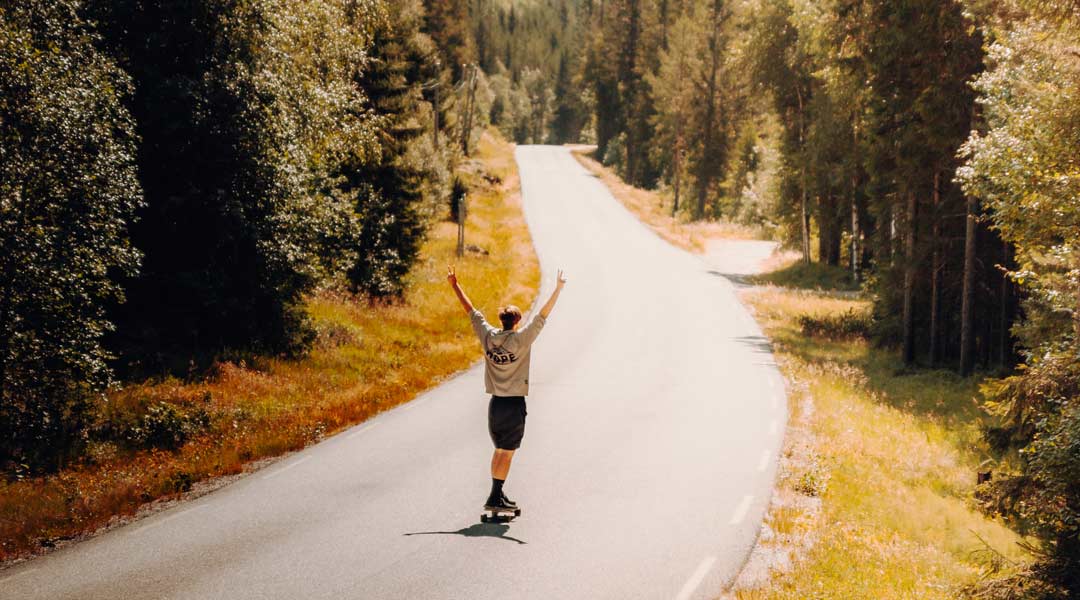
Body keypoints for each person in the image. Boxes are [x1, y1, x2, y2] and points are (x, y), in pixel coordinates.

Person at [447, 265, 567, 511]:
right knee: (507, 452)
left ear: (501, 320)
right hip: (513, 404)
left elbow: (471, 311)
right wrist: (558, 289)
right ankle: (495, 496)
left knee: (499, 450)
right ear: (518, 321)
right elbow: (542, 315)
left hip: (495, 404)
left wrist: (455, 285)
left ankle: (496, 494)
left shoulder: (488, 336)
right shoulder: (522, 340)